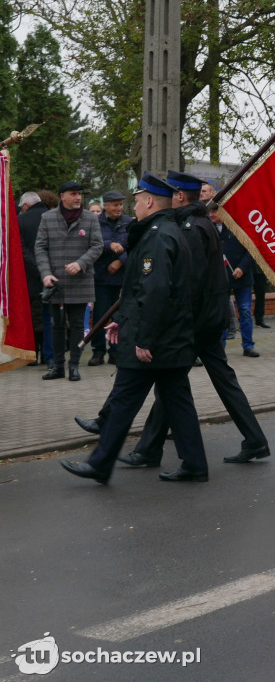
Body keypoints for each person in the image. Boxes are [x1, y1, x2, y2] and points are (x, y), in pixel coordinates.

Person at [59, 173, 208, 484]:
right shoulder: (166, 231)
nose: (135, 206)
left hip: (154, 341)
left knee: (125, 400)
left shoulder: (156, 237)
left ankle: (100, 463)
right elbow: (146, 291)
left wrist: (143, 337)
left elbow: (155, 292)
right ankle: (194, 463)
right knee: (178, 402)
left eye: (138, 200)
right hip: (171, 338)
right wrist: (122, 319)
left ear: (150, 201)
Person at [116, 170, 270, 466]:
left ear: (179, 196)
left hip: (197, 320)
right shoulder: (199, 223)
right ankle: (254, 439)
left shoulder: (188, 227)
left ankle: (148, 449)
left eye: (171, 192)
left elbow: (189, 281)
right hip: (209, 317)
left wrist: (173, 319)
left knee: (171, 381)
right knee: (203, 381)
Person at [34, 181, 103, 381]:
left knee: (76, 326)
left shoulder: (90, 219)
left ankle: (74, 365)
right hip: (55, 282)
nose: (78, 198)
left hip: (81, 280)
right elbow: (40, 247)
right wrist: (45, 273)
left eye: (79, 194)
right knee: (56, 325)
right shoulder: (47, 218)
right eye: (73, 194)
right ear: (62, 196)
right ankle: (57, 366)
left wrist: (81, 263)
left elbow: (97, 246)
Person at [88, 190, 131, 366]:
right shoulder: (95, 223)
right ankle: (98, 351)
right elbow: (90, 244)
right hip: (101, 278)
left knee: (120, 315)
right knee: (101, 315)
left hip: (122, 278)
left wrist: (120, 261)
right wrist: (108, 246)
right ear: (105, 206)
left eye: (121, 204)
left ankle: (116, 351)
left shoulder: (129, 223)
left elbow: (135, 246)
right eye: (115, 205)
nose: (119, 208)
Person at [210, 202, 259, 357]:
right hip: (220, 279)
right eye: (209, 212)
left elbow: (252, 249)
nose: (211, 214)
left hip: (241, 277)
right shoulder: (208, 229)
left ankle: (248, 345)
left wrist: (242, 268)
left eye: (214, 212)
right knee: (222, 313)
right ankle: (220, 346)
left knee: (244, 311)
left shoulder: (239, 227)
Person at [18, 192, 49, 365]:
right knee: (49, 318)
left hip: (30, 277)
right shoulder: (53, 216)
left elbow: (21, 250)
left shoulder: (21, 220)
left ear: (26, 205)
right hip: (52, 275)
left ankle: (32, 355)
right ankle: (48, 355)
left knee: (33, 318)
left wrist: (37, 268)